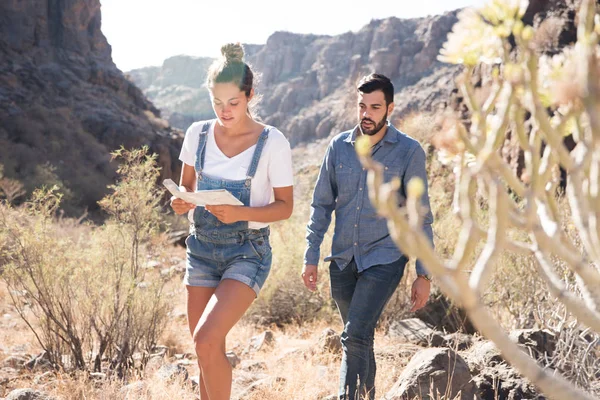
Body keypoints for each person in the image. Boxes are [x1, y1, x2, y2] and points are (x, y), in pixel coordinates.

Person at [170, 43, 294, 400]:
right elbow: (186, 185)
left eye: (233, 103)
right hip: (201, 249)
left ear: (250, 95)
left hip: (247, 251)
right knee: (204, 352)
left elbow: (284, 207)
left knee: (206, 339)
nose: (224, 111)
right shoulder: (198, 134)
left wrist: (240, 212)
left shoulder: (273, 142)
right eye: (217, 103)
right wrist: (181, 199)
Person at [302, 73, 434, 400]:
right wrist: (311, 255)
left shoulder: (408, 151)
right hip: (343, 259)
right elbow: (321, 205)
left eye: (375, 107)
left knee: (354, 336)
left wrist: (423, 272)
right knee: (359, 339)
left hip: (385, 257)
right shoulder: (338, 147)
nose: (367, 113)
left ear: (390, 107)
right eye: (362, 106)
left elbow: (421, 214)